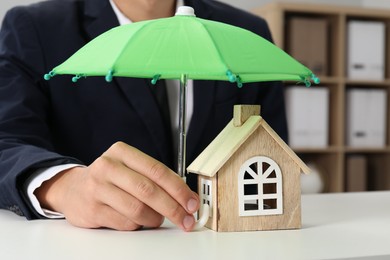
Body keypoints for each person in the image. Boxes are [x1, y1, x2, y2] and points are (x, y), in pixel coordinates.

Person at [0, 0, 288, 232]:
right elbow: (6, 141)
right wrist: (63, 185)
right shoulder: (35, 28)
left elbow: (273, 149)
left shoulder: (247, 31)